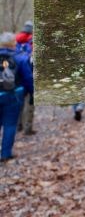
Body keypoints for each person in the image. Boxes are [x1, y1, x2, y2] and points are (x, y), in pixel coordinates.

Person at [0, 32, 33, 162]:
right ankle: (5, 154)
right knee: (10, 125)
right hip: (14, 96)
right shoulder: (20, 58)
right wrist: (32, 93)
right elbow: (28, 78)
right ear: (14, 43)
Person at [15, 21, 35, 135]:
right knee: (30, 104)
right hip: (29, 75)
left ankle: (19, 125)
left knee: (19, 103)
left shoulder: (16, 41)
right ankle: (28, 128)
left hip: (18, 79)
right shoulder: (32, 41)